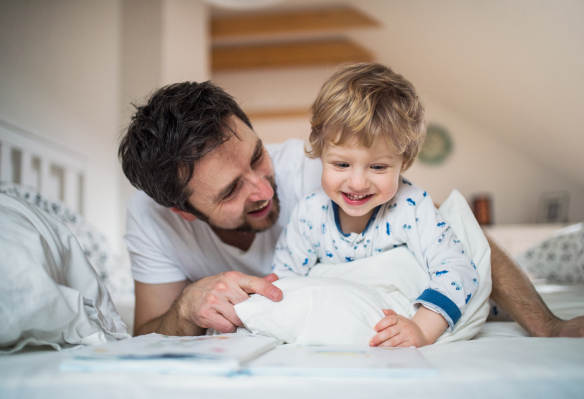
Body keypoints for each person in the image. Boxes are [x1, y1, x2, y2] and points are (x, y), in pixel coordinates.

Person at [118, 77, 584, 339]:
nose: (263, 189)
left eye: (257, 156)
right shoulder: (150, 220)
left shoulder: (320, 173)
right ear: (182, 211)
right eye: (230, 191)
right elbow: (149, 332)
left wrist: (548, 326)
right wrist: (189, 308)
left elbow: (460, 240)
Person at [270, 63, 478, 348]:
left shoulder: (412, 206)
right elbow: (283, 281)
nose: (357, 183)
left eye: (378, 167)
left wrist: (421, 329)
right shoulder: (309, 212)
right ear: (320, 153)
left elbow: (458, 269)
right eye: (341, 164)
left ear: (403, 162)